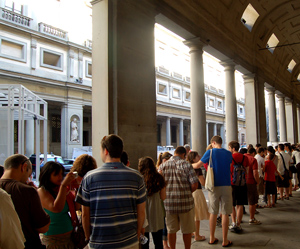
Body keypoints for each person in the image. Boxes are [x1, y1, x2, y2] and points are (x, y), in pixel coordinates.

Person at [76, 134, 146, 249]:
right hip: (129, 241)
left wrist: (88, 237)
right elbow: (141, 212)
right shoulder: (137, 177)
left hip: (100, 242)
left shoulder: (89, 178)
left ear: (106, 151)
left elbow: (85, 214)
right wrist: (137, 233)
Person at [0, 154, 50, 249]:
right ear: (24, 167)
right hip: (27, 244)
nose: (28, 178)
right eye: (29, 174)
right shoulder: (27, 191)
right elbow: (43, 227)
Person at [193, 136, 233, 247]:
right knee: (225, 213)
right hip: (226, 185)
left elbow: (197, 165)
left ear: (213, 142)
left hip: (213, 186)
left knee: (213, 212)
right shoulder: (229, 153)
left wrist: (186, 164)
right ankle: (225, 240)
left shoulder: (210, 152)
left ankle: (212, 237)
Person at [158, 146, 198, 249]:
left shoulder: (163, 166)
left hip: (169, 204)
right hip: (186, 204)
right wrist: (185, 192)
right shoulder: (187, 165)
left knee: (171, 230)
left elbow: (159, 184)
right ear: (184, 155)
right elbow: (194, 185)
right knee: (187, 230)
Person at [38, 161, 77, 248]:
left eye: (61, 174)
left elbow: (77, 207)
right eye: (56, 175)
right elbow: (56, 208)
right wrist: (63, 186)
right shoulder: (42, 191)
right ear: (47, 175)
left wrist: (76, 188)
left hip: (68, 238)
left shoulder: (60, 190)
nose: (60, 177)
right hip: (52, 240)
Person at [138, 156, 166, 249]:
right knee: (158, 242)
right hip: (156, 213)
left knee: (144, 243)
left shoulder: (138, 179)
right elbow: (163, 197)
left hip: (143, 214)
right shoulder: (159, 177)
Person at [187, 151, 209, 241]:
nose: (200, 156)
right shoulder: (197, 169)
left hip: (188, 192)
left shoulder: (187, 167)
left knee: (191, 214)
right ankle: (197, 235)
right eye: (197, 156)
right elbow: (202, 182)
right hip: (197, 191)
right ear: (193, 159)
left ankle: (191, 232)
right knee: (197, 215)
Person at [228, 141, 249, 233]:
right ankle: (239, 223)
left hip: (232, 183)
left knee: (232, 204)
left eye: (229, 148)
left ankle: (233, 223)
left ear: (233, 148)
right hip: (242, 183)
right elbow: (247, 170)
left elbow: (228, 169)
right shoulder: (244, 157)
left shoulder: (230, 157)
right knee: (240, 204)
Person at [156, 151, 172, 249]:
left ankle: (165, 243)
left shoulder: (159, 169)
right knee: (164, 223)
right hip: (163, 199)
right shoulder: (160, 171)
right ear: (165, 160)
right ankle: (165, 244)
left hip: (164, 198)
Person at [242, 148, 261, 224]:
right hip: (250, 181)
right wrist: (257, 181)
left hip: (240, 182)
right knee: (252, 201)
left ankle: (237, 220)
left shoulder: (241, 158)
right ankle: (252, 218)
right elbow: (255, 172)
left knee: (239, 203)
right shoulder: (253, 159)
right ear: (253, 153)